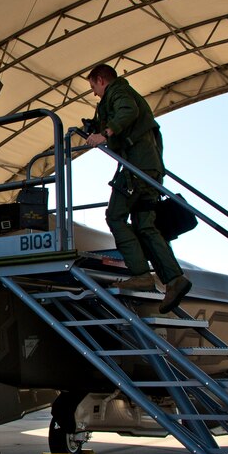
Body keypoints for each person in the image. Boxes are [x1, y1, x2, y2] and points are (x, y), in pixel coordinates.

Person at [85, 63, 190, 313]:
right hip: (150, 168)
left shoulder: (119, 92)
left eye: (93, 87)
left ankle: (141, 274)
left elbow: (126, 111)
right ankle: (174, 279)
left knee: (115, 216)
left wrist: (106, 133)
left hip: (136, 169)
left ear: (101, 80)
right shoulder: (123, 94)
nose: (94, 93)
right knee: (144, 224)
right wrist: (97, 128)